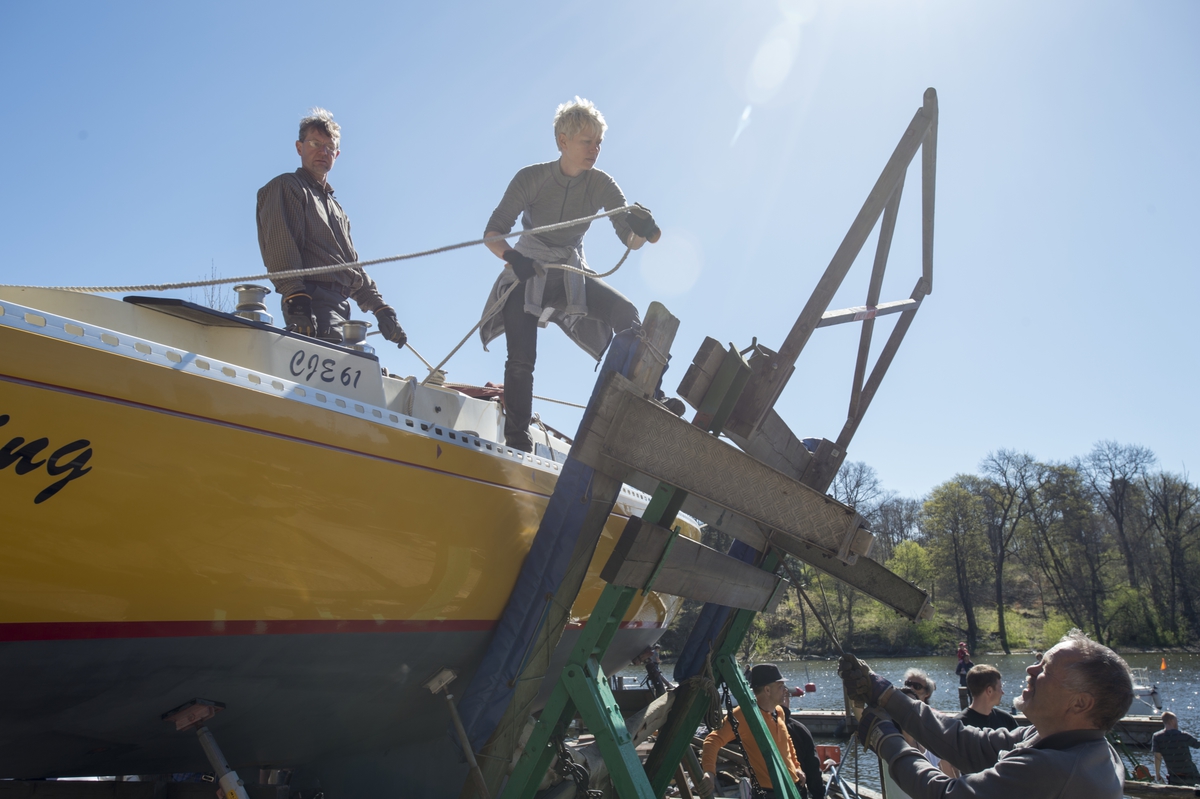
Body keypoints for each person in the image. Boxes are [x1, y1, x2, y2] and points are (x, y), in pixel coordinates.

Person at [478, 97, 661, 453]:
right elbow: (493, 233)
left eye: (599, 143)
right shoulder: (531, 178)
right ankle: (518, 442)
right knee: (521, 360)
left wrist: (641, 232)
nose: (595, 149)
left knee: (626, 314)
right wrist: (513, 257)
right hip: (528, 271)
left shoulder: (602, 184)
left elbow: (630, 240)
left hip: (569, 273)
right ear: (563, 141)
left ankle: (647, 397)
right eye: (586, 141)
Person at [839, 628, 1133, 799]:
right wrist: (886, 694)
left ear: (1080, 704)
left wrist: (885, 740)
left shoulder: (1057, 769)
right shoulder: (1068, 742)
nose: (1030, 669)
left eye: (1045, 669)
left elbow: (945, 795)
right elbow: (967, 743)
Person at [257, 108, 407, 348]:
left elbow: (351, 266)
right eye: (315, 143)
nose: (323, 152)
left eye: (329, 147)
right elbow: (281, 245)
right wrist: (296, 297)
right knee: (342, 361)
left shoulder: (337, 210)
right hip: (310, 301)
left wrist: (381, 308)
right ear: (299, 147)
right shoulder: (288, 187)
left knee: (360, 360)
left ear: (336, 154)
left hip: (341, 306)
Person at [701, 664, 805, 799]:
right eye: (780, 686)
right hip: (768, 792)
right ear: (767, 690)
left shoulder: (779, 711)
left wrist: (797, 767)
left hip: (793, 786)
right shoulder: (743, 715)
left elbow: (787, 741)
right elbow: (712, 740)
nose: (785, 690)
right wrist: (709, 772)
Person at [781, 686, 825, 799]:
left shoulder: (752, 725)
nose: (788, 699)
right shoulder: (799, 730)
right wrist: (818, 795)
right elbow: (813, 770)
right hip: (794, 791)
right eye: (786, 695)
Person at [957, 665, 1018, 731]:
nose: (1002, 692)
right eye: (1000, 687)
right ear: (989, 691)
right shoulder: (959, 726)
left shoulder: (1007, 720)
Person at [1151, 711, 1200, 785]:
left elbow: (1157, 757)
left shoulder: (1157, 737)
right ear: (1172, 721)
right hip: (1191, 775)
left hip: (1174, 777)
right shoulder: (1184, 735)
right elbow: (1198, 745)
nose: (1177, 723)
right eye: (1176, 720)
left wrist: (1157, 774)